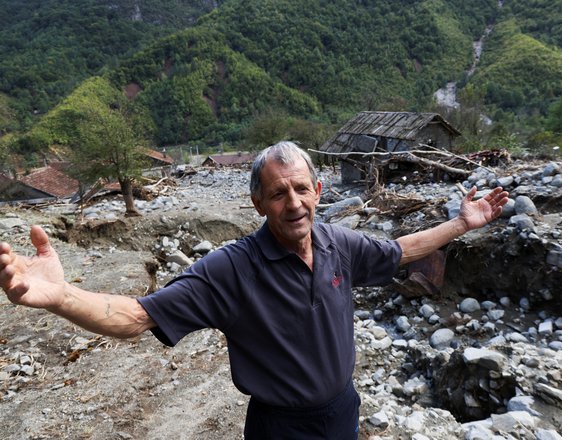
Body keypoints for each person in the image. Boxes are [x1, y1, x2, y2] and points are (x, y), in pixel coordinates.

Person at [0, 141, 508, 439]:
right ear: (258, 202)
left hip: (342, 412)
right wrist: (61, 297)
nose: (293, 203)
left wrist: (462, 224)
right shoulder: (230, 269)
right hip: (279, 428)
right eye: (278, 193)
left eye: (301, 189)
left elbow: (400, 250)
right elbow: (136, 316)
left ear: (318, 192)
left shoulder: (339, 243)